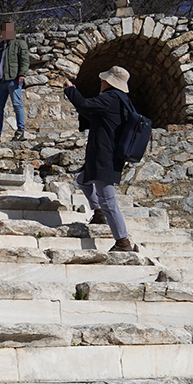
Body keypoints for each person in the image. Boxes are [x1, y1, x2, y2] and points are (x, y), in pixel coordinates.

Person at [63, 66, 139, 252]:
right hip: (110, 154)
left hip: (104, 154)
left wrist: (70, 89)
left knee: (108, 199)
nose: (101, 82)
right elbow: (94, 115)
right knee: (83, 179)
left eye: (104, 80)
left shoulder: (110, 98)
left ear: (110, 82)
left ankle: (123, 241)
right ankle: (98, 213)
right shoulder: (123, 101)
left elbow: (85, 106)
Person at [0, 22, 30, 142]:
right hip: (0, 82)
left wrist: (22, 74)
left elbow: (24, 60)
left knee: (17, 105)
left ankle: (20, 131)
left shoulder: (19, 44)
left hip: (13, 79)